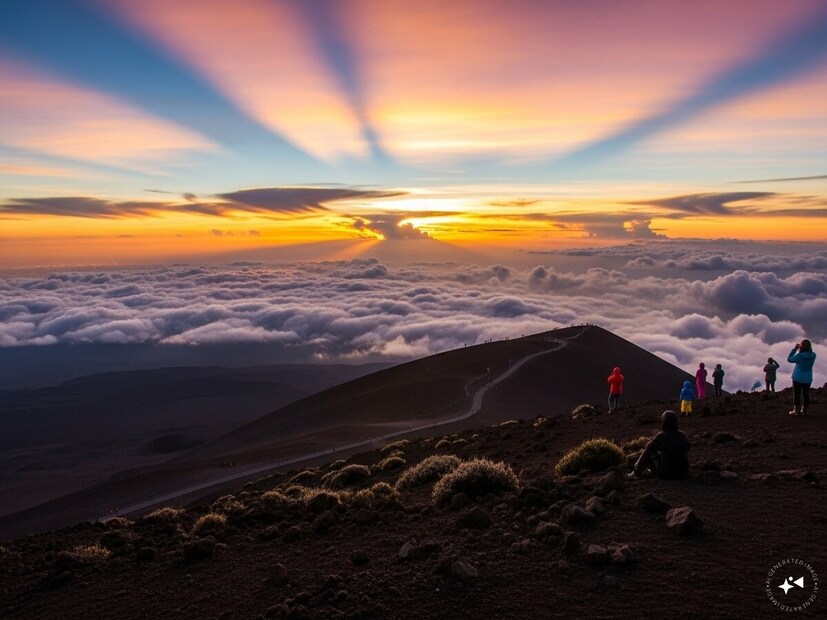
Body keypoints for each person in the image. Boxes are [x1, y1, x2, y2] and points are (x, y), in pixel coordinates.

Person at [627, 410, 690, 480]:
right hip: (683, 473)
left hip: (666, 474)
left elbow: (649, 448)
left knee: (648, 452)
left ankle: (636, 472)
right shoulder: (683, 435)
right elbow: (687, 447)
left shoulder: (661, 436)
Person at [787, 339, 816, 416]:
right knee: (806, 394)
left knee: (797, 394)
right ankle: (805, 410)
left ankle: (797, 411)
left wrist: (795, 349)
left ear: (801, 346)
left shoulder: (799, 356)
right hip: (808, 378)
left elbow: (789, 359)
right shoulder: (814, 355)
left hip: (797, 377)